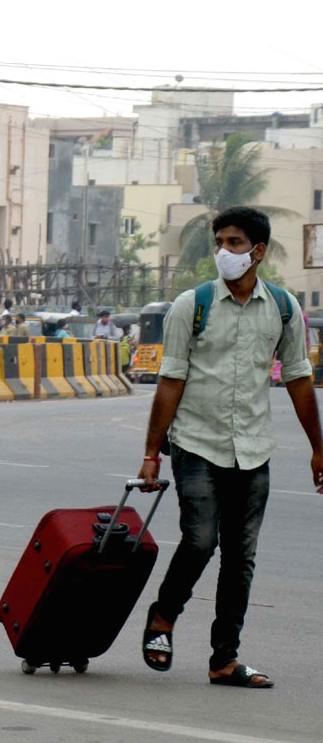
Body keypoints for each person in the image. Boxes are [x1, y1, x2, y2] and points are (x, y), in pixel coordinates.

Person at [139, 207, 323, 689]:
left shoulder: (283, 309)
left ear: (258, 252)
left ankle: (224, 659)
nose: (224, 251)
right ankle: (164, 615)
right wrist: (151, 453)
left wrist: (317, 449)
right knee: (200, 541)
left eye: (235, 243)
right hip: (196, 443)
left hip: (254, 450)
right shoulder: (191, 305)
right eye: (219, 242)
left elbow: (300, 379)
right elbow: (170, 381)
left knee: (241, 558)